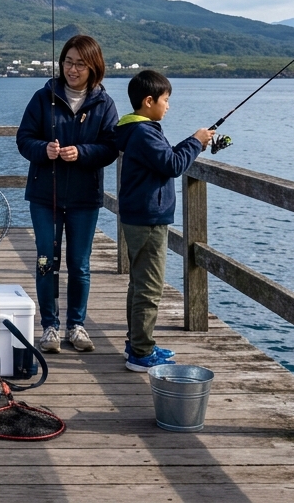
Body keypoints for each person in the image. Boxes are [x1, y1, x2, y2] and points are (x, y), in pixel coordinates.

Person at [15, 35, 120, 354]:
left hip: (85, 198)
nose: (73, 69)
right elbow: (23, 139)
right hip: (45, 196)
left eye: (80, 64)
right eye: (68, 62)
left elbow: (111, 147)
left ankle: (77, 325)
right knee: (46, 260)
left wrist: (83, 153)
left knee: (80, 264)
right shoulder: (42, 97)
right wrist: (43, 149)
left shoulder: (105, 104)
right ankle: (49, 326)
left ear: (94, 67)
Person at [114, 70, 214, 372]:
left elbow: (165, 156)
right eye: (165, 100)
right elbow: (172, 165)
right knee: (149, 286)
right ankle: (141, 354)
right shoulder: (145, 133)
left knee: (139, 282)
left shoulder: (135, 130)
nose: (168, 106)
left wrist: (192, 142)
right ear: (149, 101)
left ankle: (137, 343)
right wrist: (196, 141)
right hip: (148, 219)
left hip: (139, 216)